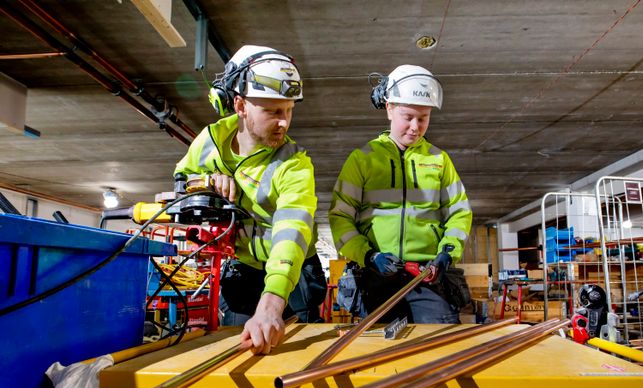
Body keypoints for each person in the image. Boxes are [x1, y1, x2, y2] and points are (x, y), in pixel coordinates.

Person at [174, 45, 326, 353]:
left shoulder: (295, 164)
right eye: (273, 111)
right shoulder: (209, 142)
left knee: (297, 354)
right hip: (243, 268)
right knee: (234, 350)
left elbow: (292, 231)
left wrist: (272, 304)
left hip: (292, 275)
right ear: (241, 105)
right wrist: (205, 184)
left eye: (289, 110)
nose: (284, 122)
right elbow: (181, 183)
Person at [329, 64, 472, 324]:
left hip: (427, 277)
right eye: (408, 116)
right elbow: (340, 217)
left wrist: (446, 253)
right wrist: (368, 255)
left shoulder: (439, 160)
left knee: (439, 347)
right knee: (375, 358)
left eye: (424, 117)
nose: (416, 127)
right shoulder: (362, 160)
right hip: (375, 277)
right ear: (389, 108)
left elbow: (459, 214)